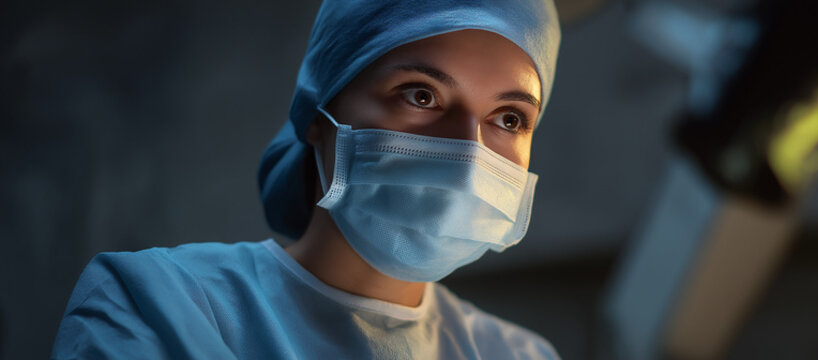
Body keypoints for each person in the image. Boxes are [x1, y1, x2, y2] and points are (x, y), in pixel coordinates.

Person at [51, 0, 561, 358]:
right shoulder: (160, 303)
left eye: (509, 119)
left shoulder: (520, 354)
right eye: (420, 95)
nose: (467, 151)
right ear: (318, 115)